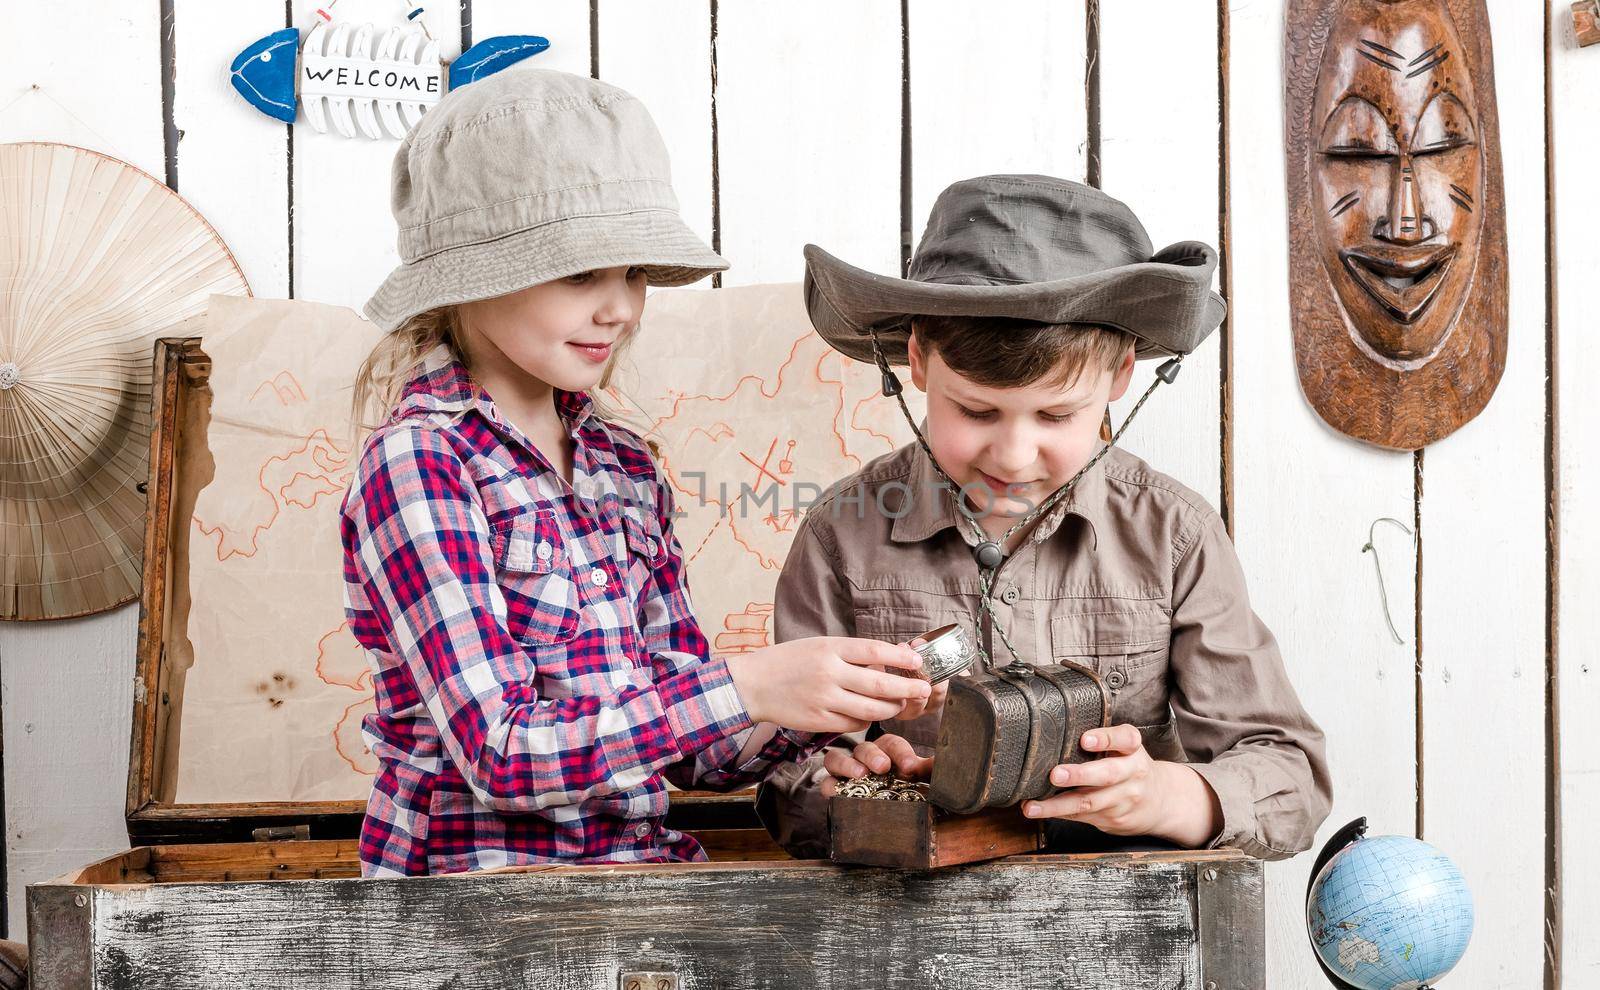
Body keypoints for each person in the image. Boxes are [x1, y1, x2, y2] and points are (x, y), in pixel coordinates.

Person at [340, 67, 928, 877]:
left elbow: (693, 751)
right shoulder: (419, 462)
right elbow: (500, 752)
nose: (618, 307)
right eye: (582, 273)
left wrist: (824, 707)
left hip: (640, 893)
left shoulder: (621, 465)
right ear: (471, 277)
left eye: (635, 273)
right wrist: (749, 685)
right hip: (469, 914)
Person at [757, 175, 1332, 861]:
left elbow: (1287, 776)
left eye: (1057, 416)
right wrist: (839, 786)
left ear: (1120, 376)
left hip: (1122, 926)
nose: (1014, 453)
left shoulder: (1173, 536)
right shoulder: (839, 535)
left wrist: (1166, 796)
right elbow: (786, 770)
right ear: (916, 360)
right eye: (975, 411)